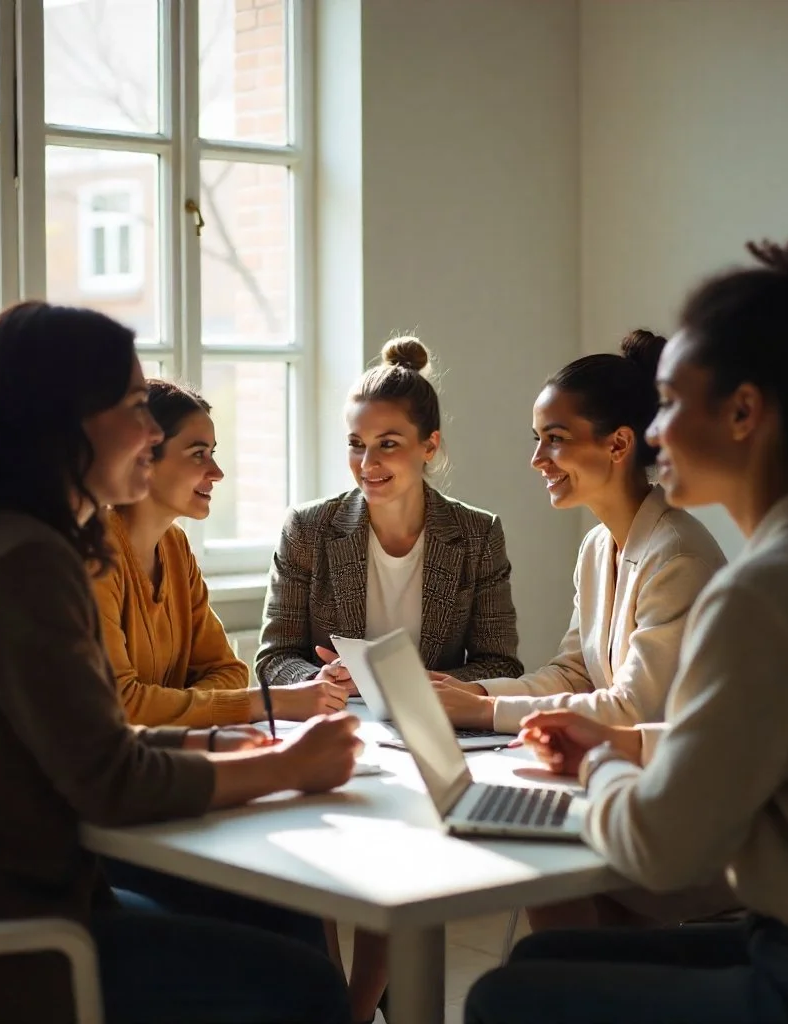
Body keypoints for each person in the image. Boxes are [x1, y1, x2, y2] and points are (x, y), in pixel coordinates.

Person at [0, 301, 360, 1024]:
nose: (151, 431)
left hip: (32, 893)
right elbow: (110, 781)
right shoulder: (25, 561)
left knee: (279, 913)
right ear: (66, 420)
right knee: (309, 989)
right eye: (136, 406)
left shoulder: (21, 542)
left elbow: (88, 741)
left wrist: (204, 739)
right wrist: (291, 767)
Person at [466, 231, 788, 1024]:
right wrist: (621, 745)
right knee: (545, 957)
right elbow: (772, 736)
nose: (655, 431)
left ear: (742, 413)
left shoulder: (761, 593)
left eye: (670, 401)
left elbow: (661, 847)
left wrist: (596, 771)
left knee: (504, 997)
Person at [256, 336, 522, 1023]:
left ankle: (351, 1007)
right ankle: (337, 1000)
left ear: (430, 446)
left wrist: (436, 685)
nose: (367, 464)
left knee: (405, 861)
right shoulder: (309, 531)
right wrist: (326, 678)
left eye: (388, 445)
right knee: (321, 860)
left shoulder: (477, 535)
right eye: (356, 445)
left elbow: (502, 665)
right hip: (341, 731)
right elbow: (273, 656)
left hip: (428, 741)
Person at [435, 330, 729, 930]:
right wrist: (473, 696)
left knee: (535, 864)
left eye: (555, 440)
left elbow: (633, 706)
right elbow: (573, 671)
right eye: (537, 440)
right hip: (622, 789)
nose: (537, 460)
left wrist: (480, 714)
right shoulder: (599, 546)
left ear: (619, 444)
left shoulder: (679, 557)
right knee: (533, 867)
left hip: (684, 823)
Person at [94, 379, 352, 729]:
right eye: (198, 454)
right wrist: (269, 701)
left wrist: (178, 706)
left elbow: (229, 671)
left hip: (167, 755)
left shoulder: (175, 547)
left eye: (212, 453)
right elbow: (121, 704)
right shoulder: (94, 557)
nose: (217, 473)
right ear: (145, 457)